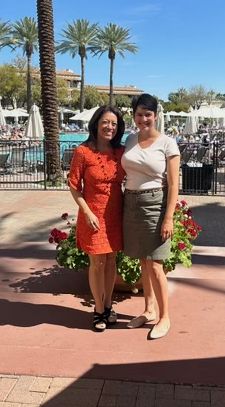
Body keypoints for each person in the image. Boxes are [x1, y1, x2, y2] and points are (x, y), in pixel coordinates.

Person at [121, 94, 180, 340]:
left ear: (155, 115)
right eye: (139, 114)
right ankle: (148, 308)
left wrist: (168, 218)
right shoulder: (130, 139)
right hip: (130, 203)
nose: (143, 119)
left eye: (148, 114)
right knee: (143, 261)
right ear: (133, 116)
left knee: (155, 264)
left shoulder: (167, 143)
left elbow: (174, 185)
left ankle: (164, 317)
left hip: (155, 203)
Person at [67, 106, 126, 332]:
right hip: (92, 214)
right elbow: (74, 186)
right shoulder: (83, 151)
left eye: (114, 123)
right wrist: (87, 211)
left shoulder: (120, 152)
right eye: (105, 122)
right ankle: (98, 309)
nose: (110, 127)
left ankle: (109, 304)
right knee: (97, 263)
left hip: (115, 214)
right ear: (96, 124)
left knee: (111, 261)